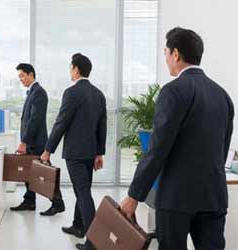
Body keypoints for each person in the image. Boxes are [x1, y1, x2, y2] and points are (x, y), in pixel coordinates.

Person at [121, 27, 234, 250]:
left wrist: (134, 195)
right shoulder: (223, 95)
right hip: (213, 195)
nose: (165, 58)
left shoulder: (174, 91)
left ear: (176, 54)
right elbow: (222, 150)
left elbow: (158, 149)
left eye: (166, 52)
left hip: (176, 198)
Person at [41, 53, 107, 250]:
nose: (70, 71)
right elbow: (102, 126)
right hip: (89, 153)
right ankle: (79, 226)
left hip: (76, 153)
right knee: (83, 189)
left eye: (71, 67)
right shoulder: (98, 94)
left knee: (83, 192)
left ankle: (94, 241)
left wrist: (47, 150)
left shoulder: (72, 93)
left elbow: (61, 123)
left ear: (77, 69)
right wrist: (99, 153)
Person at [10, 63, 65, 216]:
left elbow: (35, 119)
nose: (20, 79)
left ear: (31, 74)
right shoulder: (32, 92)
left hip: (36, 142)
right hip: (31, 141)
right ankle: (29, 201)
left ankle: (58, 203)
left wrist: (24, 141)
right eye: (19, 76)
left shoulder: (39, 92)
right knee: (29, 171)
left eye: (22, 75)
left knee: (46, 173)